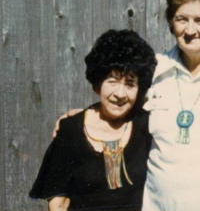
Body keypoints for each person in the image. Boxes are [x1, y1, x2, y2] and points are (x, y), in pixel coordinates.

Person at [55, 0, 200, 211]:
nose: (190, 30)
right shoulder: (154, 70)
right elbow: (122, 104)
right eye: (181, 19)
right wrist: (86, 117)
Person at [30, 29, 157, 211]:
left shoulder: (148, 126)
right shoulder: (70, 130)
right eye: (112, 81)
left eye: (130, 84)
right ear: (98, 84)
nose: (120, 94)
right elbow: (58, 204)